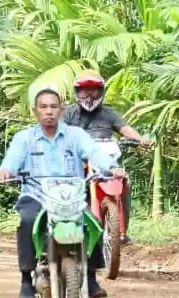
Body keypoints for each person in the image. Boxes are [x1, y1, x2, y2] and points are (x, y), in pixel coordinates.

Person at [0, 88, 123, 298]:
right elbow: (10, 162)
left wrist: (112, 168)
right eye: (43, 107)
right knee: (26, 220)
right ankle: (26, 281)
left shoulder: (76, 136)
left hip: (70, 198)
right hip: (36, 195)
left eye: (53, 107)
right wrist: (6, 172)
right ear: (34, 111)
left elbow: (94, 153)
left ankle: (91, 277)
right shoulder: (24, 138)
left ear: (61, 110)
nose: (49, 112)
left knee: (92, 223)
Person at [62, 70, 150, 251]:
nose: (88, 95)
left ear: (101, 91)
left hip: (106, 160)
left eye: (93, 90)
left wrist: (141, 140)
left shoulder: (109, 114)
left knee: (126, 183)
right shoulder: (69, 113)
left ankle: (121, 232)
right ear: (77, 92)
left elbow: (125, 129)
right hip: (78, 161)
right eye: (84, 91)